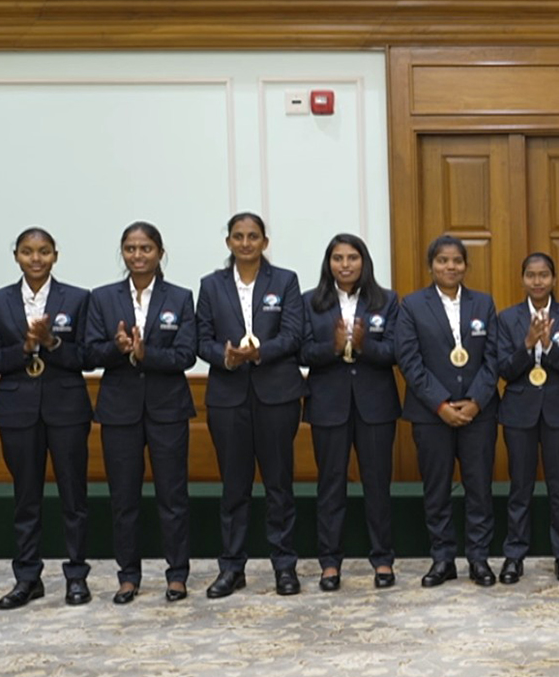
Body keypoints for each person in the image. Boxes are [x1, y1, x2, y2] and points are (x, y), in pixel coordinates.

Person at [0, 227, 94, 608]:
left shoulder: (77, 298)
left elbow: (86, 358)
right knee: (25, 497)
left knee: (73, 496)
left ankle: (76, 575)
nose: (36, 259)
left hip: (66, 407)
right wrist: (25, 347)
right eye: (28, 252)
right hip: (17, 409)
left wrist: (51, 343)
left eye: (44, 251)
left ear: (55, 256)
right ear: (16, 256)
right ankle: (27, 578)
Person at [83, 221, 197, 603]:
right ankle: (128, 576)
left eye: (145, 248)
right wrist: (117, 348)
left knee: (173, 496)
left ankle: (177, 575)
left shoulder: (180, 297)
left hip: (168, 408)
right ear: (123, 253)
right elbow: (88, 353)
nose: (137, 255)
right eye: (130, 248)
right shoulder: (101, 298)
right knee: (124, 498)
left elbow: (186, 354)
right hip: (119, 411)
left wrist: (149, 354)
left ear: (159, 253)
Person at [196, 212, 306, 598]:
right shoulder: (211, 285)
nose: (246, 243)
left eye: (253, 236)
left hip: (277, 394)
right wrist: (225, 356)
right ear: (228, 242)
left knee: (279, 484)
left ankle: (284, 566)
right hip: (228, 398)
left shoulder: (286, 281)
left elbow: (294, 334)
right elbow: (201, 338)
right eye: (238, 237)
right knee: (234, 486)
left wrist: (258, 353)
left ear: (264, 242)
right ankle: (232, 568)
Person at [395, 234, 500, 588]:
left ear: (466, 266)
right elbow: (409, 361)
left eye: (456, 260)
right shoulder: (411, 306)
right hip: (431, 415)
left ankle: (479, 559)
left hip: (478, 414)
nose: (450, 266)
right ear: (431, 266)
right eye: (442, 260)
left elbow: (492, 359)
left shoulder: (483, 304)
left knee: (479, 488)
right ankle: (442, 559)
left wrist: (475, 401)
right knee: (436, 489)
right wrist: (441, 404)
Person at [301, 233, 402, 591]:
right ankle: (329, 563)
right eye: (338, 258)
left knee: (377, 485)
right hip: (328, 404)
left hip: (375, 405)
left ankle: (383, 560)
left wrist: (363, 345)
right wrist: (333, 346)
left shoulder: (387, 301)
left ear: (364, 262)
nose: (345, 265)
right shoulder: (310, 302)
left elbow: (394, 351)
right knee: (331, 486)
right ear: (328, 263)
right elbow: (300, 353)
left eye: (352, 258)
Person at [495, 252, 559, 584]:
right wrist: (528, 344)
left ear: (554, 279)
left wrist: (548, 347)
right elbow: (503, 369)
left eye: (544, 275)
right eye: (531, 275)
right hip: (519, 411)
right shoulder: (507, 319)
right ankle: (514, 556)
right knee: (520, 486)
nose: (537, 281)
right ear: (523, 279)